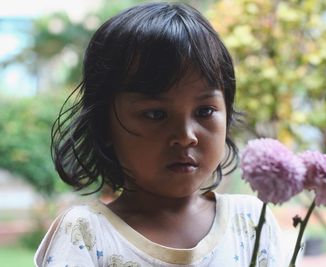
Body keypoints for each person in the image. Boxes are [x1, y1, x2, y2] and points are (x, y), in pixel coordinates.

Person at [34, 2, 286, 267]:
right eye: (156, 114)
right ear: (104, 124)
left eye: (204, 111)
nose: (186, 136)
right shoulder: (85, 235)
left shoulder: (251, 222)